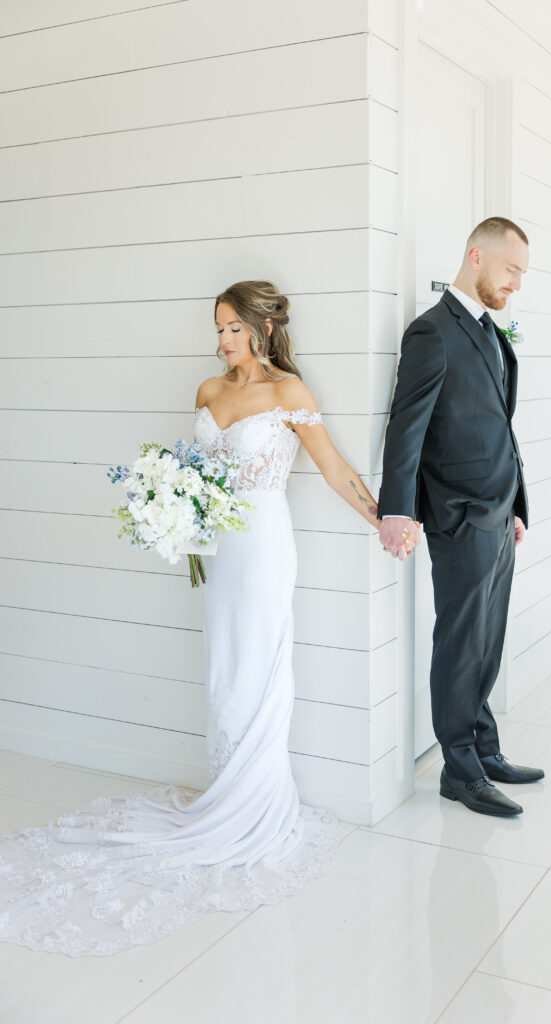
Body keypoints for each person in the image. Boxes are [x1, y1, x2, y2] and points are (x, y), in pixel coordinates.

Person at [0, 280, 417, 957]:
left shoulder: (289, 394)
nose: (222, 341)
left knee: (258, 665)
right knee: (223, 669)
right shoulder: (206, 391)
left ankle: (252, 806)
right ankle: (225, 787)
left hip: (263, 548)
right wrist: (171, 503)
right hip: (217, 551)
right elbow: (191, 468)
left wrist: (383, 518)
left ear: (261, 328)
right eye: (217, 329)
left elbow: (336, 470)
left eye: (231, 329)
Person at [377, 217, 544, 818]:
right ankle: (460, 770)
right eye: (512, 270)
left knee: (489, 640)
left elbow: (498, 425)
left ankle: (484, 749)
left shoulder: (491, 333)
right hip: (457, 514)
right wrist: (395, 510)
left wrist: (516, 505)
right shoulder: (432, 332)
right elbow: (407, 427)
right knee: (460, 642)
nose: (517, 284)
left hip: (499, 515)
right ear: (477, 257)